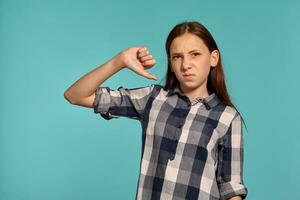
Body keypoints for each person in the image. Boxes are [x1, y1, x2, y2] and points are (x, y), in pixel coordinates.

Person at [64, 21, 248, 200]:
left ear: (213, 58)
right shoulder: (153, 99)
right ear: (171, 63)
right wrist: (120, 60)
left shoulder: (228, 117)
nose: (186, 65)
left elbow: (230, 188)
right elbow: (75, 95)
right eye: (177, 57)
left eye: (195, 54)